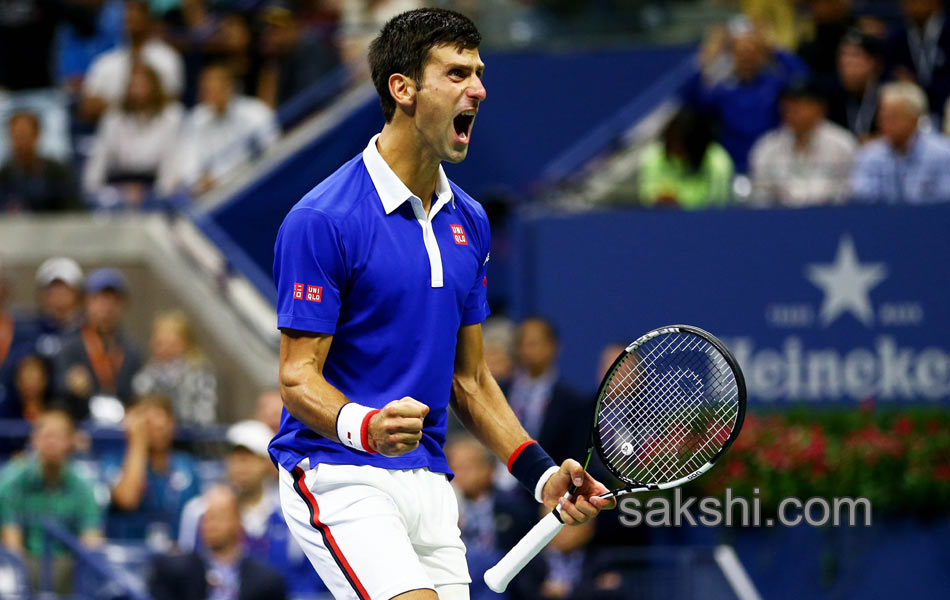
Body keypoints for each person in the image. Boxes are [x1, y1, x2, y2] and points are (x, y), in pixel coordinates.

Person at [270, 9, 613, 600]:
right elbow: (297, 378)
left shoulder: (471, 221)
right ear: (402, 89)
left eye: (477, 72)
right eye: (456, 74)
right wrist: (366, 426)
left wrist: (541, 474)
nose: (478, 88)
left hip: (428, 480)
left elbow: (471, 378)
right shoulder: (322, 220)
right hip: (337, 473)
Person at [179, 419, 328, 598]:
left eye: (249, 458)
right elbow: (187, 570)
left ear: (267, 464)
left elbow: (306, 577)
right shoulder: (199, 510)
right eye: (235, 458)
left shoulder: (293, 513)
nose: (241, 466)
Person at [683, 17, 809, 172]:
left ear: (759, 54)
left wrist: (773, 48)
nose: (746, 57)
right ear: (732, 55)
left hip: (771, 166)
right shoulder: (723, 89)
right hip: (734, 166)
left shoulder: (773, 84)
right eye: (741, 52)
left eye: (751, 51)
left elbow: (803, 79)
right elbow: (692, 100)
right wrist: (707, 57)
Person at [0, 409, 103, 594]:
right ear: (35, 439)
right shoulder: (11, 481)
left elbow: (91, 541)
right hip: (25, 563)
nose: (51, 442)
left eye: (59, 436)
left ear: (71, 441)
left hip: (68, 567)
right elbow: (11, 544)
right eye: (46, 435)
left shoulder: (85, 486)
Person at [149, 485, 287, 600]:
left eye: (219, 517)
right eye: (207, 518)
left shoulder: (266, 581)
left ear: (238, 521)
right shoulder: (175, 573)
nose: (211, 525)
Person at [101, 394, 201, 546]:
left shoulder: (185, 465)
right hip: (126, 556)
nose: (159, 428)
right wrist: (137, 443)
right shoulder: (114, 461)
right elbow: (128, 499)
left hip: (176, 558)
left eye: (164, 422)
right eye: (149, 424)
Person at [82, 63, 184, 208]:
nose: (137, 91)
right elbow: (98, 160)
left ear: (154, 87)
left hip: (154, 189)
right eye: (133, 85)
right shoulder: (113, 118)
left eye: (143, 85)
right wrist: (95, 192)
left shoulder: (171, 117)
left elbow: (171, 164)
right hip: (118, 188)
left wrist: (158, 196)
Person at [173, 63, 280, 195]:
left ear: (230, 88)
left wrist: (220, 178)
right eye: (207, 91)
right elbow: (188, 162)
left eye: (216, 89)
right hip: (210, 195)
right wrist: (196, 181)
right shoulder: (197, 119)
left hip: (252, 187)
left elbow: (272, 154)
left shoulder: (256, 113)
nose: (211, 96)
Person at [749, 78, 857, 206]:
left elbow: (851, 193)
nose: (793, 110)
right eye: (788, 104)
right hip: (781, 220)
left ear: (820, 108)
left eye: (801, 103)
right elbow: (760, 198)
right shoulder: (767, 147)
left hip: (832, 218)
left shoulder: (842, 144)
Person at [53, 267, 143, 418]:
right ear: (86, 303)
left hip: (122, 429)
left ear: (122, 305)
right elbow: (56, 390)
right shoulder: (69, 347)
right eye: (98, 299)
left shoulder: (132, 351)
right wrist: (70, 384)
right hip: (80, 427)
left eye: (113, 300)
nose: (106, 307)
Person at [80, 0, 185, 122]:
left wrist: (112, 104)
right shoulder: (106, 62)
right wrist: (127, 104)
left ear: (150, 20)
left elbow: (171, 101)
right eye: (129, 13)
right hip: (116, 133)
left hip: (156, 131)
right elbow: (87, 108)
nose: (132, 17)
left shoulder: (167, 58)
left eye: (138, 13)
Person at [850, 81, 950, 203]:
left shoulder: (943, 154)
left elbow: (945, 200)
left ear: (914, 119)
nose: (884, 123)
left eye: (893, 117)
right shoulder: (870, 154)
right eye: (882, 117)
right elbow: (861, 197)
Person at [636, 108, 733, 209]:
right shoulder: (653, 156)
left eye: (679, 146)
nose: (674, 149)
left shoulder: (718, 162)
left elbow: (717, 205)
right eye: (671, 142)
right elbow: (648, 198)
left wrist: (682, 207)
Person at [132, 309, 217, 425]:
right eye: (161, 343)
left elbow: (207, 415)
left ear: (186, 344)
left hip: (192, 437)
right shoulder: (144, 378)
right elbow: (140, 411)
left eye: (172, 344)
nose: (166, 349)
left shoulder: (200, 375)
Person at [0, 112, 80, 213]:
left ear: (36, 135)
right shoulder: (4, 175)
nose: (20, 142)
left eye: (24, 135)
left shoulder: (58, 173)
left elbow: (73, 210)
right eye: (16, 136)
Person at [886, 0, 950, 123]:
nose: (913, 5)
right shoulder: (896, 36)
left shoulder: (947, 31)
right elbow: (888, 74)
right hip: (909, 109)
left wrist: (918, 85)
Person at [826, 29, 885, 141]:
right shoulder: (830, 95)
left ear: (874, 62)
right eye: (843, 55)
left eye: (855, 55)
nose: (847, 62)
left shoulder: (887, 96)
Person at [31, 257, 84, 361]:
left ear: (77, 293)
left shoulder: (86, 331)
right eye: (51, 288)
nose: (57, 293)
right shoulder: (32, 330)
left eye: (63, 287)